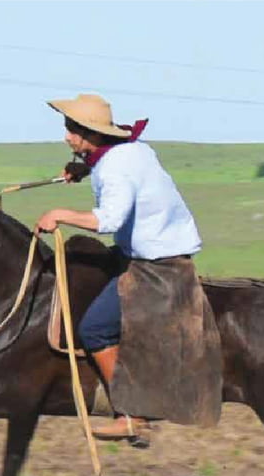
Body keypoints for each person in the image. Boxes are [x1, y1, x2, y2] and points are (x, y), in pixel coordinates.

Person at [34, 94, 209, 446]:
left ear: (90, 133)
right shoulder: (132, 149)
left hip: (156, 265)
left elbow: (110, 219)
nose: (66, 137)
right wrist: (85, 166)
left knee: (94, 328)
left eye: (72, 130)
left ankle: (131, 415)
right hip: (152, 250)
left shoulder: (116, 167)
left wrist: (60, 214)